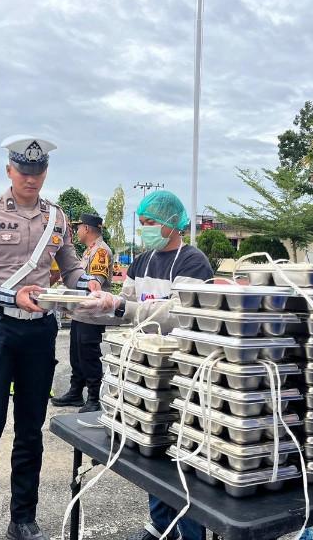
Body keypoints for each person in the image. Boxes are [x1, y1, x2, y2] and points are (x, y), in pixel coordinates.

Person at [0, 135, 99, 540]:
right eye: (23, 172)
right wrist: (12, 294)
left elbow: (71, 269)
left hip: (39, 332)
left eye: (37, 173)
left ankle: (22, 517)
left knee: (31, 428)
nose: (30, 179)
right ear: (9, 171)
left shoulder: (58, 217)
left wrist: (90, 286)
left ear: (45, 172)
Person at [75, 190, 211, 540]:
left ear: (171, 223)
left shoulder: (193, 262)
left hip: (183, 369)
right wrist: (98, 305)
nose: (146, 230)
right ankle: (160, 522)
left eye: (151, 223)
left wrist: (123, 308)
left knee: (182, 455)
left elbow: (178, 313)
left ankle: (191, 529)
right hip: (145, 369)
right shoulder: (142, 261)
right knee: (150, 446)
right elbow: (128, 302)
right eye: (143, 223)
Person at [51, 212, 113, 413]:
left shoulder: (100, 252)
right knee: (76, 353)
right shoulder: (89, 252)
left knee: (89, 354)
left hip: (93, 314)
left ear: (86, 228)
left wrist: (68, 293)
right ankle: (76, 391)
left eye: (79, 228)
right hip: (81, 312)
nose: (77, 231)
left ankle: (94, 398)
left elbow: (95, 284)